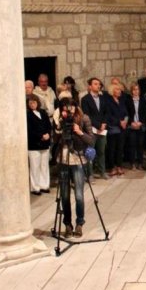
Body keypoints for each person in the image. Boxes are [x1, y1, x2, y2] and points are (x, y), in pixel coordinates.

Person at [55, 98, 95, 238]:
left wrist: (79, 132)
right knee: (65, 196)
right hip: (63, 159)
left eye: (70, 107)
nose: (68, 110)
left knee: (79, 195)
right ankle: (67, 224)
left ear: (75, 107)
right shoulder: (60, 120)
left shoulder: (84, 118)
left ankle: (79, 223)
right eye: (65, 108)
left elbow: (92, 140)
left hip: (78, 159)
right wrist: (58, 127)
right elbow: (55, 141)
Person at [81, 78, 108, 179]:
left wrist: (104, 124)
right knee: (90, 152)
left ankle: (102, 171)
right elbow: (87, 115)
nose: (98, 86)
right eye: (95, 84)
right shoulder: (85, 99)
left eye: (99, 84)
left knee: (101, 151)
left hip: (102, 129)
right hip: (91, 129)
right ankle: (90, 174)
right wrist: (98, 125)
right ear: (90, 86)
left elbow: (106, 112)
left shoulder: (103, 98)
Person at [26, 94, 52, 195]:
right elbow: (29, 130)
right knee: (35, 167)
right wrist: (41, 136)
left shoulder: (43, 112)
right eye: (30, 103)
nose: (32, 104)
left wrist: (48, 134)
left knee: (44, 166)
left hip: (45, 143)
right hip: (34, 144)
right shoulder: (27, 115)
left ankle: (44, 185)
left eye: (34, 102)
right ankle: (35, 187)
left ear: (37, 102)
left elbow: (48, 125)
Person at [106, 83, 128, 176]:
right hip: (113, 128)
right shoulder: (108, 102)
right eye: (117, 89)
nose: (120, 91)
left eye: (120, 90)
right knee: (112, 149)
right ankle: (112, 167)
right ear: (112, 91)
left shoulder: (121, 101)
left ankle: (119, 166)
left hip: (122, 128)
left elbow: (126, 113)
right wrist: (119, 122)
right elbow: (108, 116)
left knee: (120, 148)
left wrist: (125, 121)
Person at [126, 83, 146, 170]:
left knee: (140, 145)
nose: (136, 91)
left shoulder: (143, 101)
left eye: (137, 89)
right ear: (131, 91)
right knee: (132, 145)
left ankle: (140, 163)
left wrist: (140, 122)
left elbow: (145, 113)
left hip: (140, 125)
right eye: (134, 89)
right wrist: (131, 122)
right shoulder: (128, 101)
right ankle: (132, 163)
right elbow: (127, 113)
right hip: (131, 126)